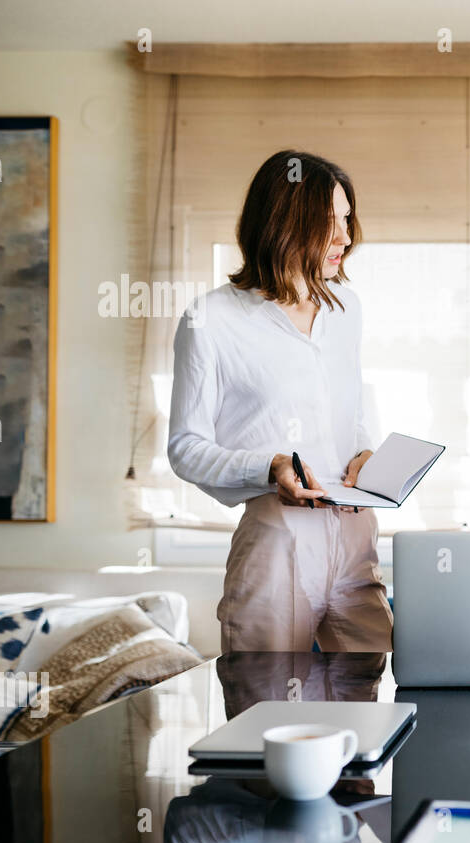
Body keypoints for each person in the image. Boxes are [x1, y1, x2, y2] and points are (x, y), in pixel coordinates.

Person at [168, 150, 392, 656]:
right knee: (263, 709)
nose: (345, 238)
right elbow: (185, 447)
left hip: (355, 532)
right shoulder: (211, 320)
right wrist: (269, 467)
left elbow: (351, 408)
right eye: (327, 224)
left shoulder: (345, 309)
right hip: (277, 540)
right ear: (281, 224)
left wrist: (362, 451)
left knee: (374, 705)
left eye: (347, 220)